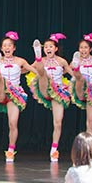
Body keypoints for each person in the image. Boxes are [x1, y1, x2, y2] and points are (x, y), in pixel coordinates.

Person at [0, 31, 38, 162]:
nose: (7, 48)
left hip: (14, 94)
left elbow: (34, 70)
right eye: (5, 45)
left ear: (14, 48)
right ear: (1, 48)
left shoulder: (20, 61)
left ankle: (10, 150)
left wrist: (44, 73)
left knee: (13, 123)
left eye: (10, 45)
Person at [29, 33, 74, 162]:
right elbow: (28, 69)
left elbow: (73, 74)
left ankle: (54, 149)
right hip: (44, 88)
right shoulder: (43, 60)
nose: (48, 48)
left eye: (50, 46)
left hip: (58, 92)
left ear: (55, 49)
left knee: (58, 122)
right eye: (46, 47)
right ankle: (37, 58)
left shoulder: (62, 61)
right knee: (42, 73)